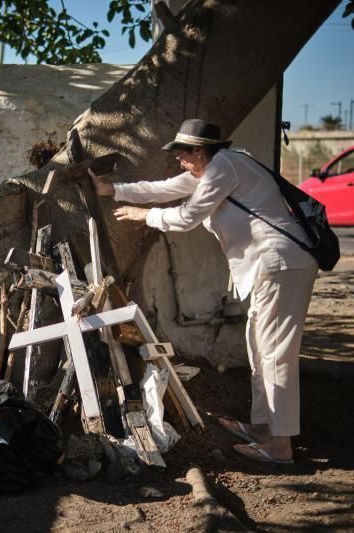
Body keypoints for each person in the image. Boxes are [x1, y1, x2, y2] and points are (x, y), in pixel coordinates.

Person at [88, 118, 318, 465]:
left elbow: (187, 216)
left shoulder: (224, 166)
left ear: (199, 150)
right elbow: (164, 188)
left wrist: (144, 216)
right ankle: (262, 427)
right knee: (260, 350)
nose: (178, 160)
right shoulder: (214, 168)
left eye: (182, 154)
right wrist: (113, 190)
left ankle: (279, 446)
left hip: (281, 265)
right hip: (270, 267)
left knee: (274, 355)